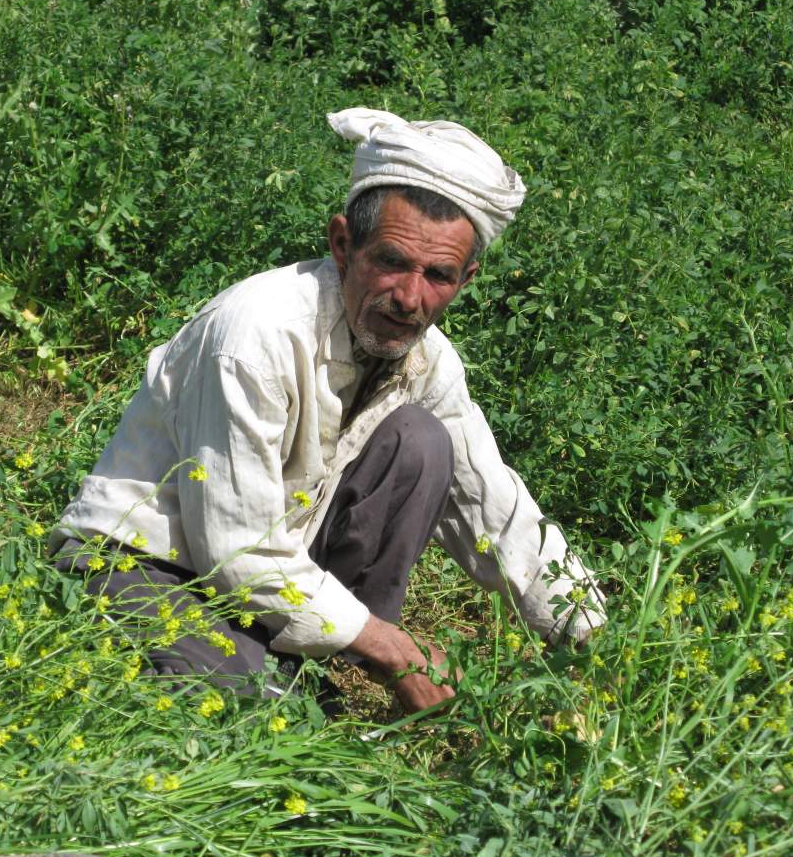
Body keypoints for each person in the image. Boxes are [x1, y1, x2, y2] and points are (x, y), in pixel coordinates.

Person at [48, 107, 605, 714]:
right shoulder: (255, 337)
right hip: (151, 562)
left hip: (261, 575)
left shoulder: (430, 361)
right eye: (391, 261)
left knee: (422, 442)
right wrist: (393, 649)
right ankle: (291, 674)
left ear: (465, 279)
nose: (410, 298)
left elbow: (491, 505)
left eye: (438, 275)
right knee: (247, 718)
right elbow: (236, 546)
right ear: (343, 244)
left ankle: (304, 661)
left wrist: (593, 633)